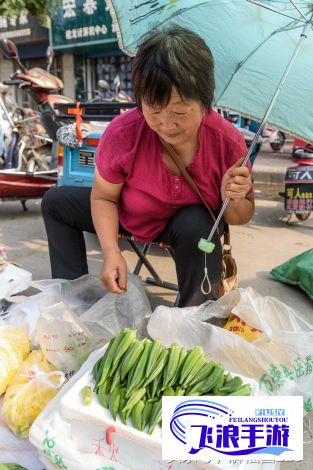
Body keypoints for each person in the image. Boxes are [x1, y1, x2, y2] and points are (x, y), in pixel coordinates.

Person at [41, 25, 254, 307]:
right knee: (55, 201)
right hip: (130, 215)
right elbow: (104, 196)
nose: (167, 125)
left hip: (184, 229)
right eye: (154, 110)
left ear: (205, 100)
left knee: (199, 222)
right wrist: (110, 250)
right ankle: (73, 302)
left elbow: (240, 216)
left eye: (180, 111)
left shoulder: (228, 142)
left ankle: (195, 313)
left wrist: (234, 197)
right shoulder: (122, 133)